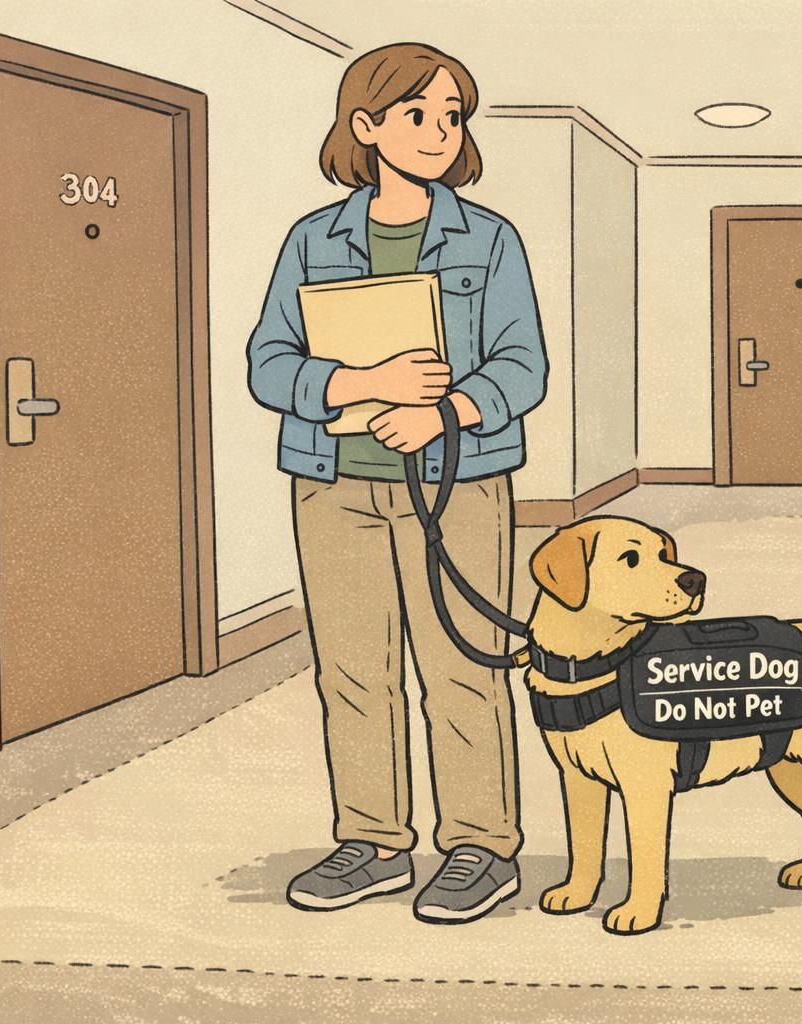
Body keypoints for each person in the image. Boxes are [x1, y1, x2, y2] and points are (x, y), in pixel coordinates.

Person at [246, 42, 548, 924]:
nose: (440, 133)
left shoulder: (488, 238)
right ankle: (373, 841)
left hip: (458, 484)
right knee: (350, 671)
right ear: (366, 125)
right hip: (333, 485)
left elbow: (523, 367)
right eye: (417, 114)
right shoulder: (314, 238)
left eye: (453, 116)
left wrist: (445, 411)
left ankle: (480, 847)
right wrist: (359, 385)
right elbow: (270, 364)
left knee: (461, 665)